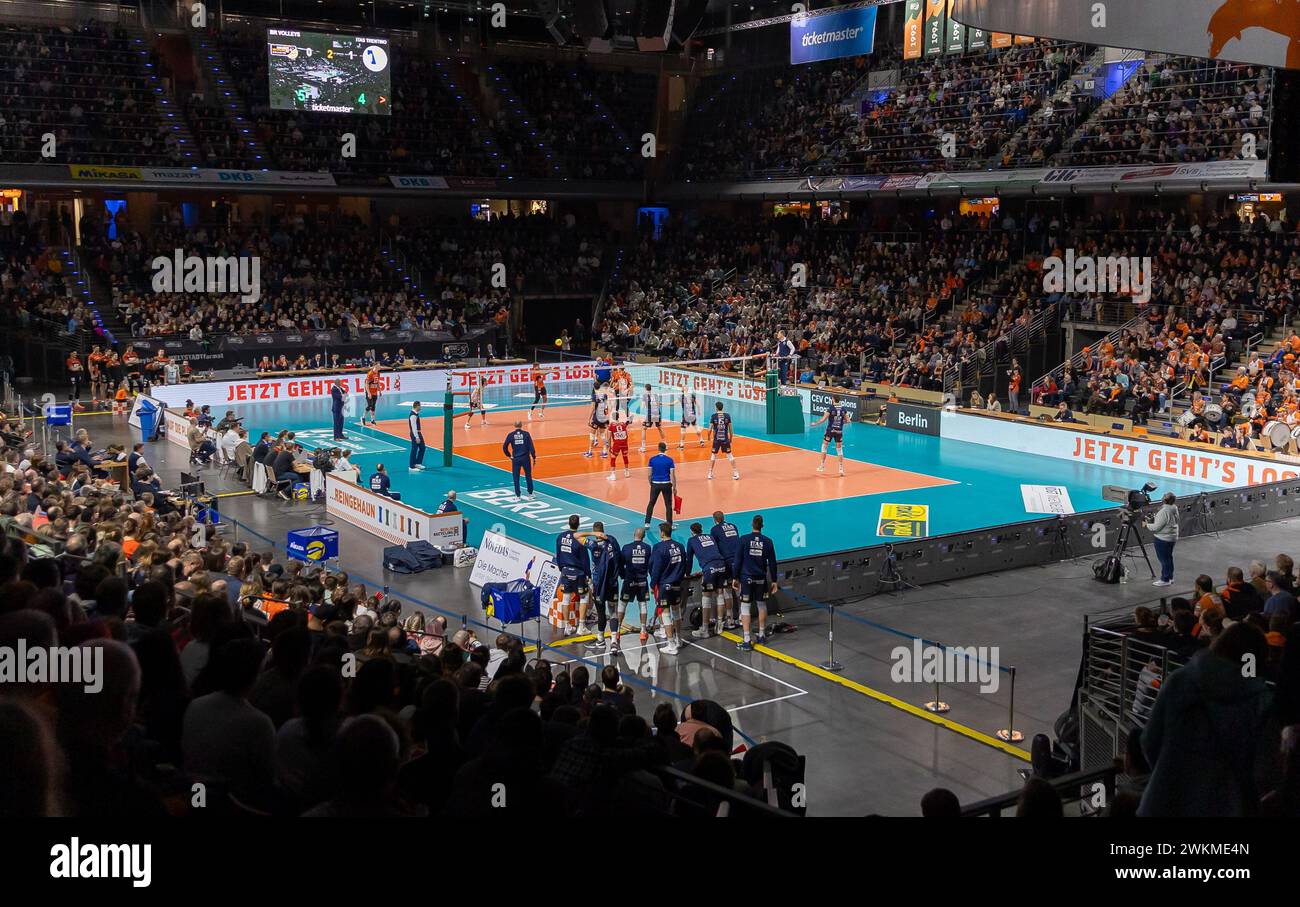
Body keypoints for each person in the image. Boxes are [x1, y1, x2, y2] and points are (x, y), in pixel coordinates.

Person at [733, 514, 778, 651]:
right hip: (761, 578)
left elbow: (738, 561)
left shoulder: (744, 540)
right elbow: (772, 563)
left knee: (745, 607)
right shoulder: (768, 541)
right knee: (761, 605)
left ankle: (747, 640)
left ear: (752, 524)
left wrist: (735, 577)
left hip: (746, 578)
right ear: (762, 526)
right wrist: (774, 580)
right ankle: (762, 635)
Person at [575, 522, 621, 651]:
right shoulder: (612, 541)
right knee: (613, 611)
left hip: (599, 584)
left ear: (596, 532)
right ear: (603, 530)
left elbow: (576, 535)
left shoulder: (593, 545)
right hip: (612, 583)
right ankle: (613, 642)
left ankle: (600, 640)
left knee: (601, 613)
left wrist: (591, 534)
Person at [649, 523, 687, 656]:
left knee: (665, 614)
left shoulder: (659, 548)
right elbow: (684, 564)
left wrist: (653, 584)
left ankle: (671, 644)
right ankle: (679, 639)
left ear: (662, 533)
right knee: (676, 612)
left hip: (664, 585)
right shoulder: (680, 546)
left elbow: (655, 567)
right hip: (677, 583)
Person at [685, 522, 730, 638]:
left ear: (692, 531)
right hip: (722, 564)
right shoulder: (710, 537)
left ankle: (704, 629)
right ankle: (719, 625)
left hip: (709, 568)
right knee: (720, 594)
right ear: (701, 530)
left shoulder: (691, 541)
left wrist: (687, 573)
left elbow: (689, 559)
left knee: (707, 597)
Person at [554, 514, 591, 636]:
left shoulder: (560, 537)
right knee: (584, 597)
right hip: (578, 573)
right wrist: (588, 575)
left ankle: (567, 627)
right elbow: (585, 560)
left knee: (566, 599)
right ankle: (581, 627)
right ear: (579, 524)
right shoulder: (579, 539)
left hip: (565, 571)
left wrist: (562, 569)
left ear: (568, 523)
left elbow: (558, 555)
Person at [620, 528, 653, 645]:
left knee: (623, 603)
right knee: (642, 604)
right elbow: (651, 565)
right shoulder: (648, 548)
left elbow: (620, 564)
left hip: (629, 580)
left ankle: (617, 630)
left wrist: (623, 576)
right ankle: (643, 631)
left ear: (634, 534)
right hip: (642, 581)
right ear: (643, 536)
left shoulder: (626, 548)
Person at [710, 511, 742, 630]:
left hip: (727, 560)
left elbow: (715, 546)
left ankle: (730, 620)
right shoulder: (733, 526)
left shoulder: (714, 529)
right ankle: (741, 617)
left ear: (714, 519)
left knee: (727, 589)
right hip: (739, 559)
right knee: (739, 587)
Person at [1143, 492, 1179, 587]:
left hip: (1163, 538)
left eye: (1164, 495)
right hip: (1172, 537)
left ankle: (1165, 579)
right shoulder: (1174, 508)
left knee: (1164, 560)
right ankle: (1170, 577)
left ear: (1164, 499)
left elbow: (1156, 528)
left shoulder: (1164, 511)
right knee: (1168, 558)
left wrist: (1146, 525)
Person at [812, 395, 849, 476]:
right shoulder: (843, 409)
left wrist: (815, 423)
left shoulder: (830, 408)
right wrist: (841, 423)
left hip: (830, 431)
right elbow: (848, 421)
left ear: (833, 399)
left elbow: (823, 419)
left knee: (824, 446)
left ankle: (822, 465)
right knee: (839, 449)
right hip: (839, 431)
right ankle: (841, 469)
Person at [644, 442, 676, 529]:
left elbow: (649, 474)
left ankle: (647, 523)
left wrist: (651, 483)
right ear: (665, 449)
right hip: (666, 484)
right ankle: (670, 524)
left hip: (655, 484)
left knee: (651, 503)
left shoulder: (652, 460)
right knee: (668, 504)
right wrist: (674, 487)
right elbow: (672, 475)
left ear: (658, 448)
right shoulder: (670, 460)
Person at [502, 421, 536, 501]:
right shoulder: (526, 434)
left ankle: (518, 496)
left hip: (516, 459)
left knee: (516, 477)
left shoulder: (511, 435)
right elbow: (531, 447)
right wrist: (534, 457)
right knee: (528, 476)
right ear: (521, 425)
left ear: (514, 426)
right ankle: (530, 494)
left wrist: (509, 455)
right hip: (526, 458)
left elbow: (504, 447)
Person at [707, 401, 740, 481]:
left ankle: (710, 474)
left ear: (716, 408)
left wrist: (708, 437)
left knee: (713, 455)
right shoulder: (727, 416)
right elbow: (731, 430)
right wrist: (731, 438)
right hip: (725, 439)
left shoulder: (713, 416)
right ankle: (736, 473)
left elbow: (709, 430)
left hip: (716, 440)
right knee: (729, 455)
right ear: (722, 407)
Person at [638, 383, 665, 453]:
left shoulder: (645, 396)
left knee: (644, 428)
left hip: (650, 414)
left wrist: (641, 403)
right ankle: (665, 444)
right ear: (651, 388)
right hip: (657, 413)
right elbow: (658, 404)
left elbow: (642, 407)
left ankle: (643, 447)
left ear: (645, 389)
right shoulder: (655, 395)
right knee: (659, 428)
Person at [586, 382, 610, 458]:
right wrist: (607, 417)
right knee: (602, 435)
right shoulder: (605, 395)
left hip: (597, 418)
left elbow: (592, 408)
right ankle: (605, 451)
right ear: (599, 387)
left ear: (593, 387)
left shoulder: (594, 396)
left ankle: (590, 452)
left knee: (592, 434)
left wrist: (589, 419)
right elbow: (607, 406)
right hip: (604, 417)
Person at [607, 414, 630, 481]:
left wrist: (609, 446)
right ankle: (627, 472)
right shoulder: (623, 424)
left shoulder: (611, 425)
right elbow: (626, 434)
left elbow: (609, 437)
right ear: (618, 417)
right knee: (625, 457)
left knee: (613, 458)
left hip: (617, 444)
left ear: (612, 417)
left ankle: (613, 475)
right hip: (624, 443)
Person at [408, 401, 426, 471]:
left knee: (422, 448)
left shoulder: (416, 414)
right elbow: (413, 427)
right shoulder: (413, 415)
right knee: (414, 449)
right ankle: (411, 466)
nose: (421, 407)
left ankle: (418, 463)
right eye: (420, 406)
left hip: (418, 433)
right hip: (415, 434)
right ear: (417, 406)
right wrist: (417, 437)